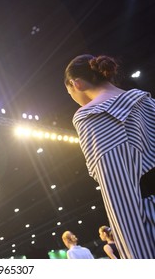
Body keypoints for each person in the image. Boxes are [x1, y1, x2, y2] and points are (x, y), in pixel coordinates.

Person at [64, 54, 155, 259]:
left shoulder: (90, 115)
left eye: (69, 92)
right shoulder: (147, 102)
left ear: (75, 84)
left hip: (147, 219)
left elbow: (118, 190)